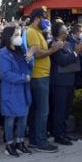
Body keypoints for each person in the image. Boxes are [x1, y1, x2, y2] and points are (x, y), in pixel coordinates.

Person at [26, 8, 64, 153]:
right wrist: (53, 49)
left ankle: (35, 140)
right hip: (39, 76)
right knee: (42, 111)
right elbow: (37, 54)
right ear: (37, 18)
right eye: (44, 18)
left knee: (37, 110)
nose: (46, 21)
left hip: (41, 76)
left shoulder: (37, 32)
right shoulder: (31, 32)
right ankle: (41, 142)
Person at [49, 22, 82, 145]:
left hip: (69, 81)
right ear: (60, 32)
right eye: (65, 29)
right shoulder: (54, 44)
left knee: (66, 109)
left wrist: (79, 50)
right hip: (59, 83)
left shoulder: (67, 44)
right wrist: (76, 52)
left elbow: (73, 57)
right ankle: (58, 135)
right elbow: (62, 61)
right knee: (60, 110)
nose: (68, 31)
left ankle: (64, 132)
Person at [0, 26, 34, 157]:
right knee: (10, 118)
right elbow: (6, 74)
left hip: (24, 89)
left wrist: (30, 60)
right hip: (12, 91)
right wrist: (23, 78)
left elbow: (29, 67)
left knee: (23, 118)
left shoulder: (21, 50)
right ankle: (9, 144)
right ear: (8, 38)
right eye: (16, 35)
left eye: (19, 34)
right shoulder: (4, 53)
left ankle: (20, 143)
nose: (19, 38)